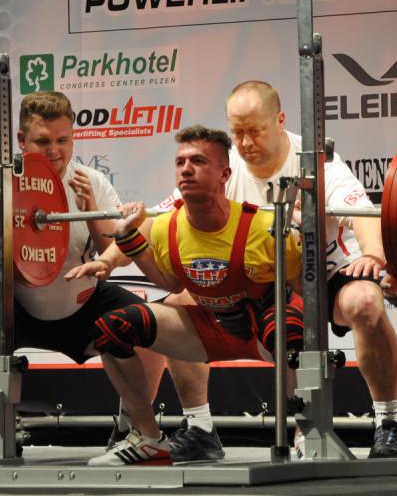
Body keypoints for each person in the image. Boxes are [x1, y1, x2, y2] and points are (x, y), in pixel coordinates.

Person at [0, 91, 164, 464]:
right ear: (22, 141)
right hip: (19, 308)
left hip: (81, 303)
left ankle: (130, 428)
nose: (55, 151)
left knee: (150, 328)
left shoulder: (91, 182)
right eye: (43, 142)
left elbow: (113, 253)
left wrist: (91, 210)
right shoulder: (0, 190)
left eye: (63, 140)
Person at [150, 81, 397, 461]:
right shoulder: (224, 167)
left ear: (280, 120)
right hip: (263, 279)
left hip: (324, 271)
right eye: (237, 132)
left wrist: (375, 255)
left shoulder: (316, 161)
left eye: (255, 130)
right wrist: (115, 247)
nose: (245, 142)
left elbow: (360, 212)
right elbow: (159, 217)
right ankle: (200, 429)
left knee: (366, 302)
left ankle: (388, 423)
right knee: (177, 302)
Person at [67, 125, 303, 466]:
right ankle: (148, 438)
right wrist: (125, 243)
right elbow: (170, 283)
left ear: (225, 174)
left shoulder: (261, 228)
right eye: (180, 162)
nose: (186, 169)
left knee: (293, 328)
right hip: (208, 330)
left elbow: (301, 290)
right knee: (113, 327)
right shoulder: (167, 226)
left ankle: (306, 434)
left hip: (262, 331)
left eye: (198, 161)